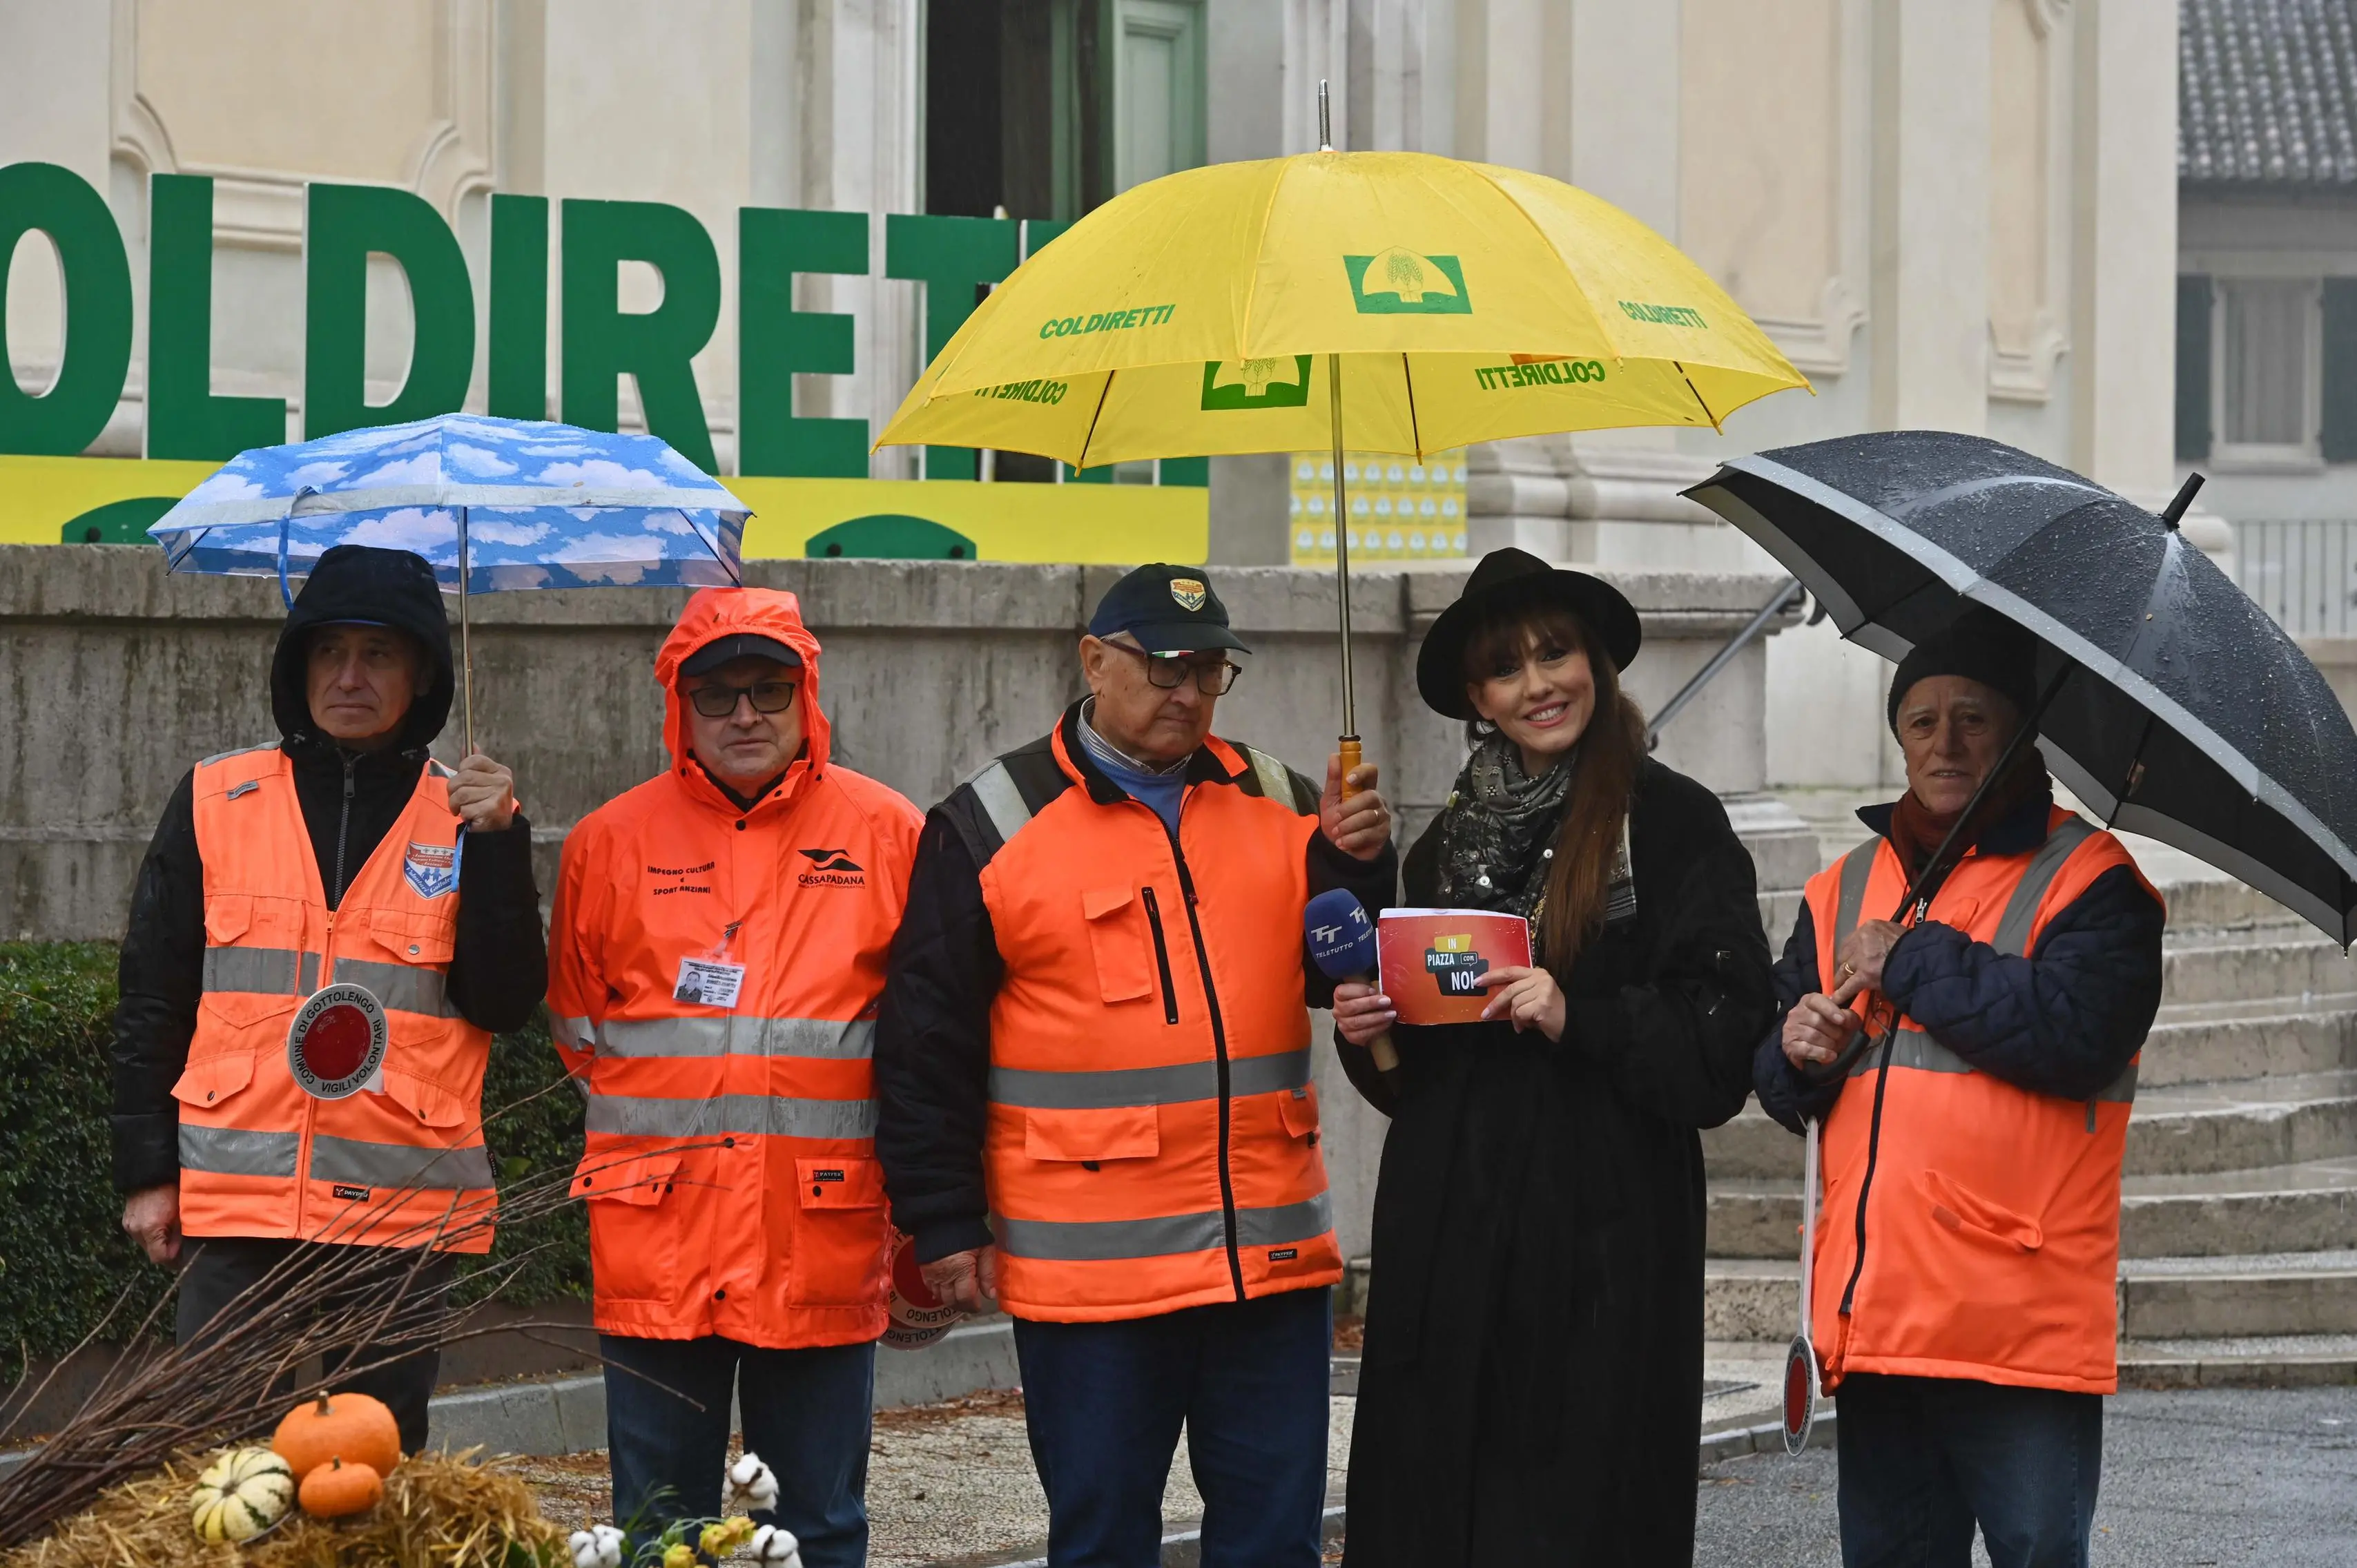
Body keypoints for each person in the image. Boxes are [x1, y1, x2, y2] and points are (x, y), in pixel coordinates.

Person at [873, 564, 1394, 1568]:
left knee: (1274, 1543)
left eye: (1208, 670)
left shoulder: (1283, 797)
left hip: (1268, 1263)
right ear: (1094, 661)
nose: (1187, 692)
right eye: (1163, 666)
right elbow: (924, 1044)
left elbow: (1343, 972)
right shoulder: (991, 823)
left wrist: (1359, 863)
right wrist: (942, 1218)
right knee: (1104, 1542)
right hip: (1092, 1281)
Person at [1326, 546, 1775, 1565]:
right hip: (1451, 1239)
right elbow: (1419, 1081)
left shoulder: (1672, 822)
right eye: (1505, 668)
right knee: (1439, 1507)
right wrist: (1373, 1032)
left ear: (1594, 662)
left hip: (1600, 1245)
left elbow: (1723, 1038)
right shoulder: (1441, 846)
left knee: (1572, 1518)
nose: (1536, 684)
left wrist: (1580, 1016)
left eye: (1554, 653)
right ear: (1475, 699)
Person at [110, 543, 546, 1454]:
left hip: (398, 1209)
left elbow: (504, 1004)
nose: (349, 677)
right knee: (223, 1465)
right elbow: (154, 995)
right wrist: (149, 1173)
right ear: (297, 664)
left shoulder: (471, 816)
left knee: (372, 1469)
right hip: (240, 1200)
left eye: (378, 654)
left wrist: (501, 845)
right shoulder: (214, 798)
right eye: (329, 651)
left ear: (423, 674)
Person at [1754, 607, 2165, 1568]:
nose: (1944, 742)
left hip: (2016, 1322)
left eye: (1973, 718)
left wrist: (1912, 960)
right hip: (1877, 1317)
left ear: (2019, 730)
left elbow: (2078, 1034)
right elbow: (1778, 1075)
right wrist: (1799, 1054)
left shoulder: (2093, 880)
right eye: (1922, 720)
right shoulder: (1840, 887)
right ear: (1898, 738)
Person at [547, 587, 922, 1568]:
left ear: (808, 696)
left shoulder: (889, 834)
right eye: (717, 694)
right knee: (658, 1526)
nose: (745, 714)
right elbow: (580, 1031)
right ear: (680, 706)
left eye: (769, 689)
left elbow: (922, 1042)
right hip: (660, 1235)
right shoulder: (608, 842)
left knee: (816, 1525)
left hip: (819, 1230)